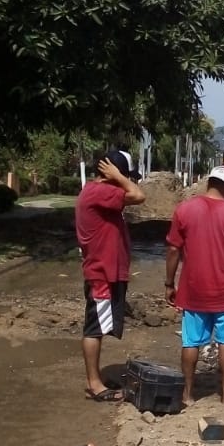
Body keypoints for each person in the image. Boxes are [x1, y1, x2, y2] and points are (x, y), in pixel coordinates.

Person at [164, 165, 224, 406]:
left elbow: (173, 249)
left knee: (191, 342)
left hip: (193, 290)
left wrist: (169, 283)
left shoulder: (184, 209)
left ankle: (187, 394)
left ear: (209, 182)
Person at [75, 149, 145, 401]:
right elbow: (138, 195)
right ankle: (94, 384)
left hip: (106, 270)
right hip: (102, 272)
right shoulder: (100, 191)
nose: (130, 181)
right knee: (94, 327)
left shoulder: (100, 193)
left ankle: (96, 379)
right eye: (127, 176)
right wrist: (118, 176)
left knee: (99, 325)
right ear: (111, 173)